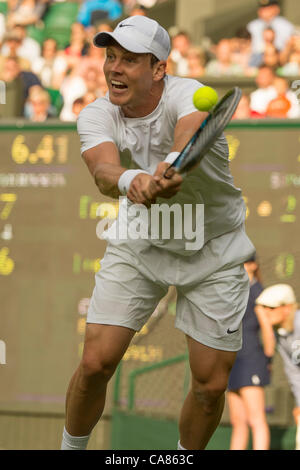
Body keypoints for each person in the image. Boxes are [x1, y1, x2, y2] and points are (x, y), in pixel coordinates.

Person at [60, 15, 255, 451]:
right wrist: (134, 180)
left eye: (129, 60)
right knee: (95, 362)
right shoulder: (95, 114)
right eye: (111, 57)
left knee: (210, 386)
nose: (114, 68)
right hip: (140, 242)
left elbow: (190, 128)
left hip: (214, 249)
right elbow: (102, 170)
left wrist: (170, 163)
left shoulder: (188, 95)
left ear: (159, 68)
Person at [227, 256, 275, 450]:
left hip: (251, 360)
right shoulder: (233, 292)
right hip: (233, 361)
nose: (243, 267)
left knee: (257, 420)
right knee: (239, 422)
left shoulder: (258, 293)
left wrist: (268, 358)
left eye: (247, 263)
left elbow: (267, 329)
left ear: (254, 265)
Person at [255, 284, 300, 450]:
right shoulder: (281, 334)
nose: (265, 311)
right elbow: (294, 373)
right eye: (263, 307)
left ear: (287, 308)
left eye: (271, 307)